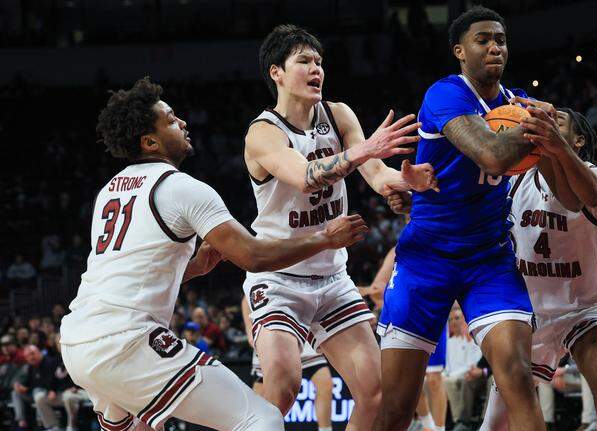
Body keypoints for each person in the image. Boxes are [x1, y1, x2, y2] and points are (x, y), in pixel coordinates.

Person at [59, 77, 369, 431]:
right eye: (172, 119)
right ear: (150, 141)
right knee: (261, 418)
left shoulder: (110, 191)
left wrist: (195, 266)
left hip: (77, 341)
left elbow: (128, 274)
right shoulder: (180, 188)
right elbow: (253, 256)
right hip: (126, 342)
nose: (183, 123)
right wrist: (325, 240)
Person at [243, 24, 437, 430]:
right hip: (279, 278)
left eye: (319, 62)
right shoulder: (263, 133)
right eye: (304, 61)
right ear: (276, 72)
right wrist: (364, 148)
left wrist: (407, 181)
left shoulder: (339, 113)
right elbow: (306, 176)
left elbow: (376, 173)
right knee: (281, 385)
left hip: (331, 278)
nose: (316, 69)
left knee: (377, 392)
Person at [376, 7, 545, 430]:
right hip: (426, 258)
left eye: (501, 39)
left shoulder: (516, 102)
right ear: (459, 51)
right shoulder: (445, 94)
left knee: (519, 377)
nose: (495, 47)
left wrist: (548, 126)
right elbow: (489, 154)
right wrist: (536, 127)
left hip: (488, 258)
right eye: (483, 39)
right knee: (396, 405)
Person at [476, 106, 597, 431]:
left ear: (578, 140)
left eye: (556, 122)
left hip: (587, 310)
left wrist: (555, 147)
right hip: (529, 317)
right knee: (494, 426)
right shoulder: (514, 184)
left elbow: (589, 196)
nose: (545, 123)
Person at [241, 296, 334, 431]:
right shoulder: (257, 283)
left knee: (325, 384)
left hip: (303, 332)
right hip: (272, 332)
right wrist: (253, 334)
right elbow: (247, 303)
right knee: (263, 398)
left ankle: (325, 429)